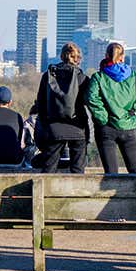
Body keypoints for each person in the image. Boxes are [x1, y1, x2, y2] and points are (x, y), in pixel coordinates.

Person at [85, 42, 136, 175]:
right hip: (129, 127)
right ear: (123, 57)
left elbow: (91, 98)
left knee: (111, 173)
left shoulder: (98, 77)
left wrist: (102, 117)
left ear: (106, 56)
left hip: (106, 128)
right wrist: (134, 114)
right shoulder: (134, 77)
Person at [33, 42, 89, 173]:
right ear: (77, 58)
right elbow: (88, 102)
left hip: (54, 128)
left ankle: (46, 193)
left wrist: (45, 123)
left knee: (49, 167)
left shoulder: (49, 76)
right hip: (77, 127)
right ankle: (77, 193)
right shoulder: (82, 78)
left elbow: (40, 103)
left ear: (62, 56)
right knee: (77, 169)